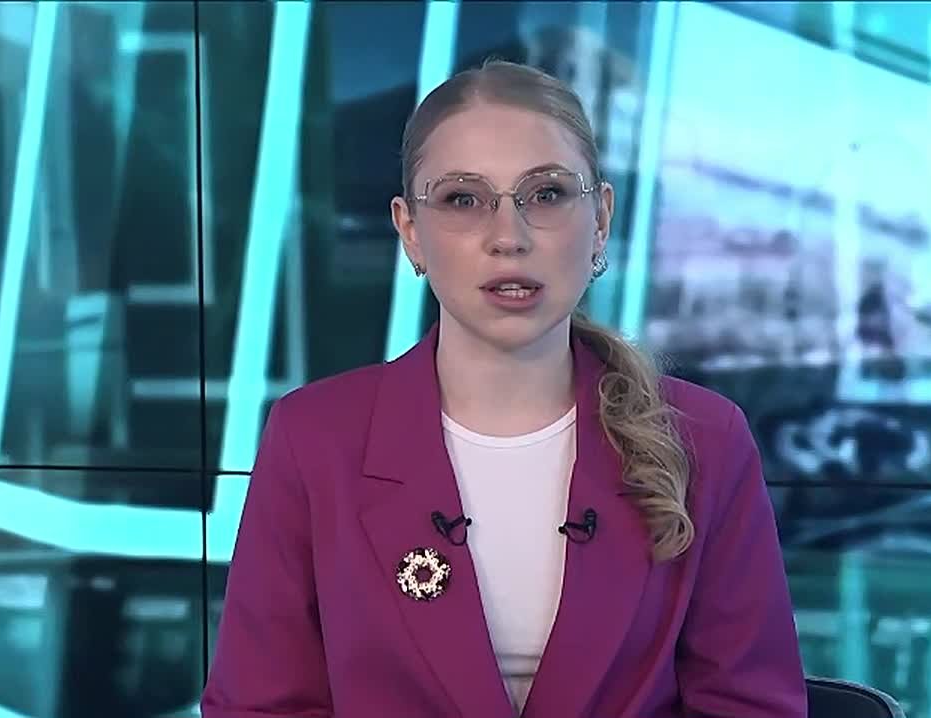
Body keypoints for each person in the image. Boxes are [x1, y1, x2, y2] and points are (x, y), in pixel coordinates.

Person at [201, 59, 807, 718]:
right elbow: (258, 707)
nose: (508, 238)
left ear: (600, 218)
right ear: (410, 231)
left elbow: (750, 707)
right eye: (463, 200)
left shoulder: (705, 439)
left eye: (546, 194)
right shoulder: (314, 440)